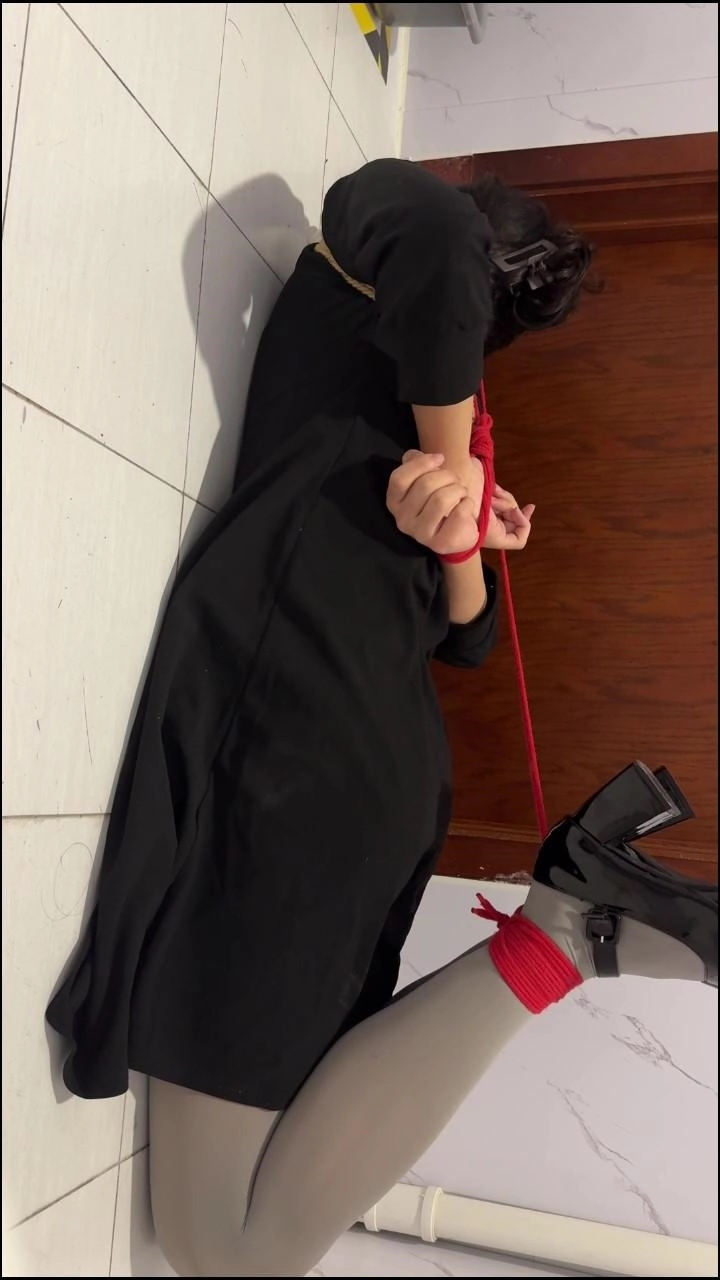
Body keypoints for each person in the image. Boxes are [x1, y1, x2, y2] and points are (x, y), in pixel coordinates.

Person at [46, 160, 717, 1277]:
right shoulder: (379, 241)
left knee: (222, 1251)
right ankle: (567, 940)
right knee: (225, 1248)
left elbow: (470, 634)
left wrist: (460, 529)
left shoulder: (441, 411)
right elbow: (441, 245)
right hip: (344, 770)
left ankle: (567, 939)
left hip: (311, 765)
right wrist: (459, 497)